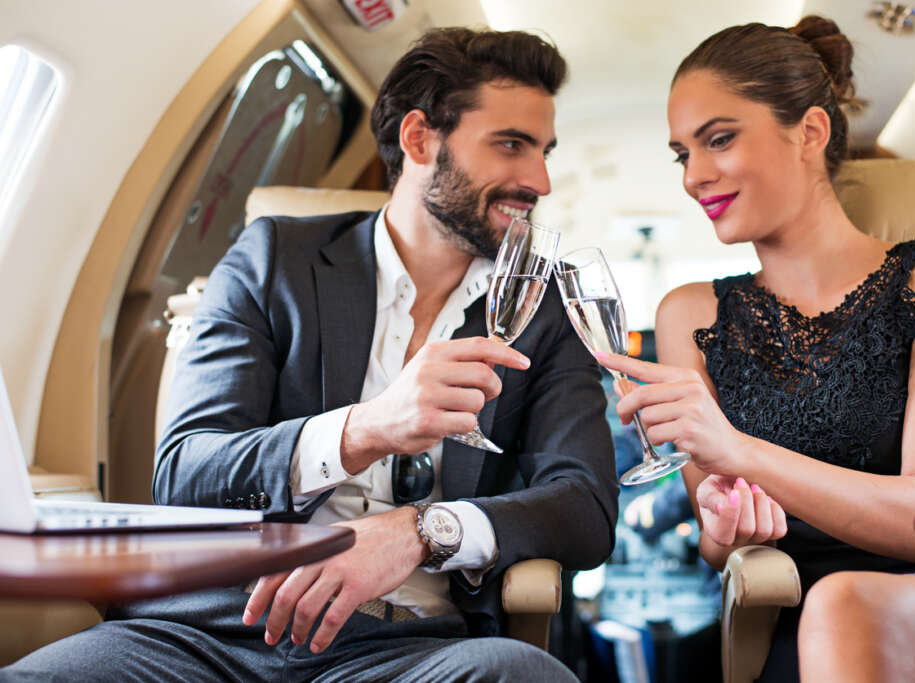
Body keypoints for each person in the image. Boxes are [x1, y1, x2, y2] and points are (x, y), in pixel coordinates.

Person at [3, 27, 617, 682]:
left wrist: (424, 529)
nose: (540, 179)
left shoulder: (546, 311)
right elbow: (185, 471)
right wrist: (366, 428)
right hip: (213, 629)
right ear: (419, 139)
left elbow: (585, 506)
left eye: (544, 150)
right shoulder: (273, 261)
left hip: (406, 648)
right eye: (511, 145)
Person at [594, 16, 915, 683]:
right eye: (684, 154)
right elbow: (717, 542)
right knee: (830, 614)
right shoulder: (689, 314)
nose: (694, 176)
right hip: (797, 613)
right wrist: (725, 521)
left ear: (811, 132)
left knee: (846, 607)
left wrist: (739, 450)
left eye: (720, 140)